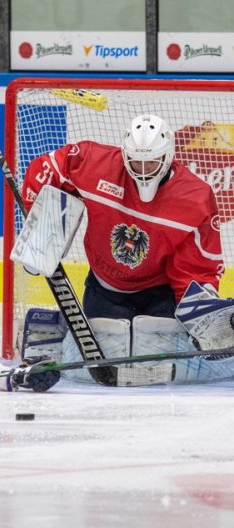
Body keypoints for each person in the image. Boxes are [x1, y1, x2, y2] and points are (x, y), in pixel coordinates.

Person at [18, 113, 234, 385]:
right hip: (104, 286)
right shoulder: (94, 163)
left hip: (160, 292)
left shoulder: (195, 196)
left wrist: (202, 314)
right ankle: (51, 333)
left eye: (151, 161)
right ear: (124, 153)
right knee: (100, 357)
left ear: (168, 157)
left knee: (160, 364)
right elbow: (46, 168)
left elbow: (196, 266)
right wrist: (40, 227)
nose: (143, 169)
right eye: (136, 161)